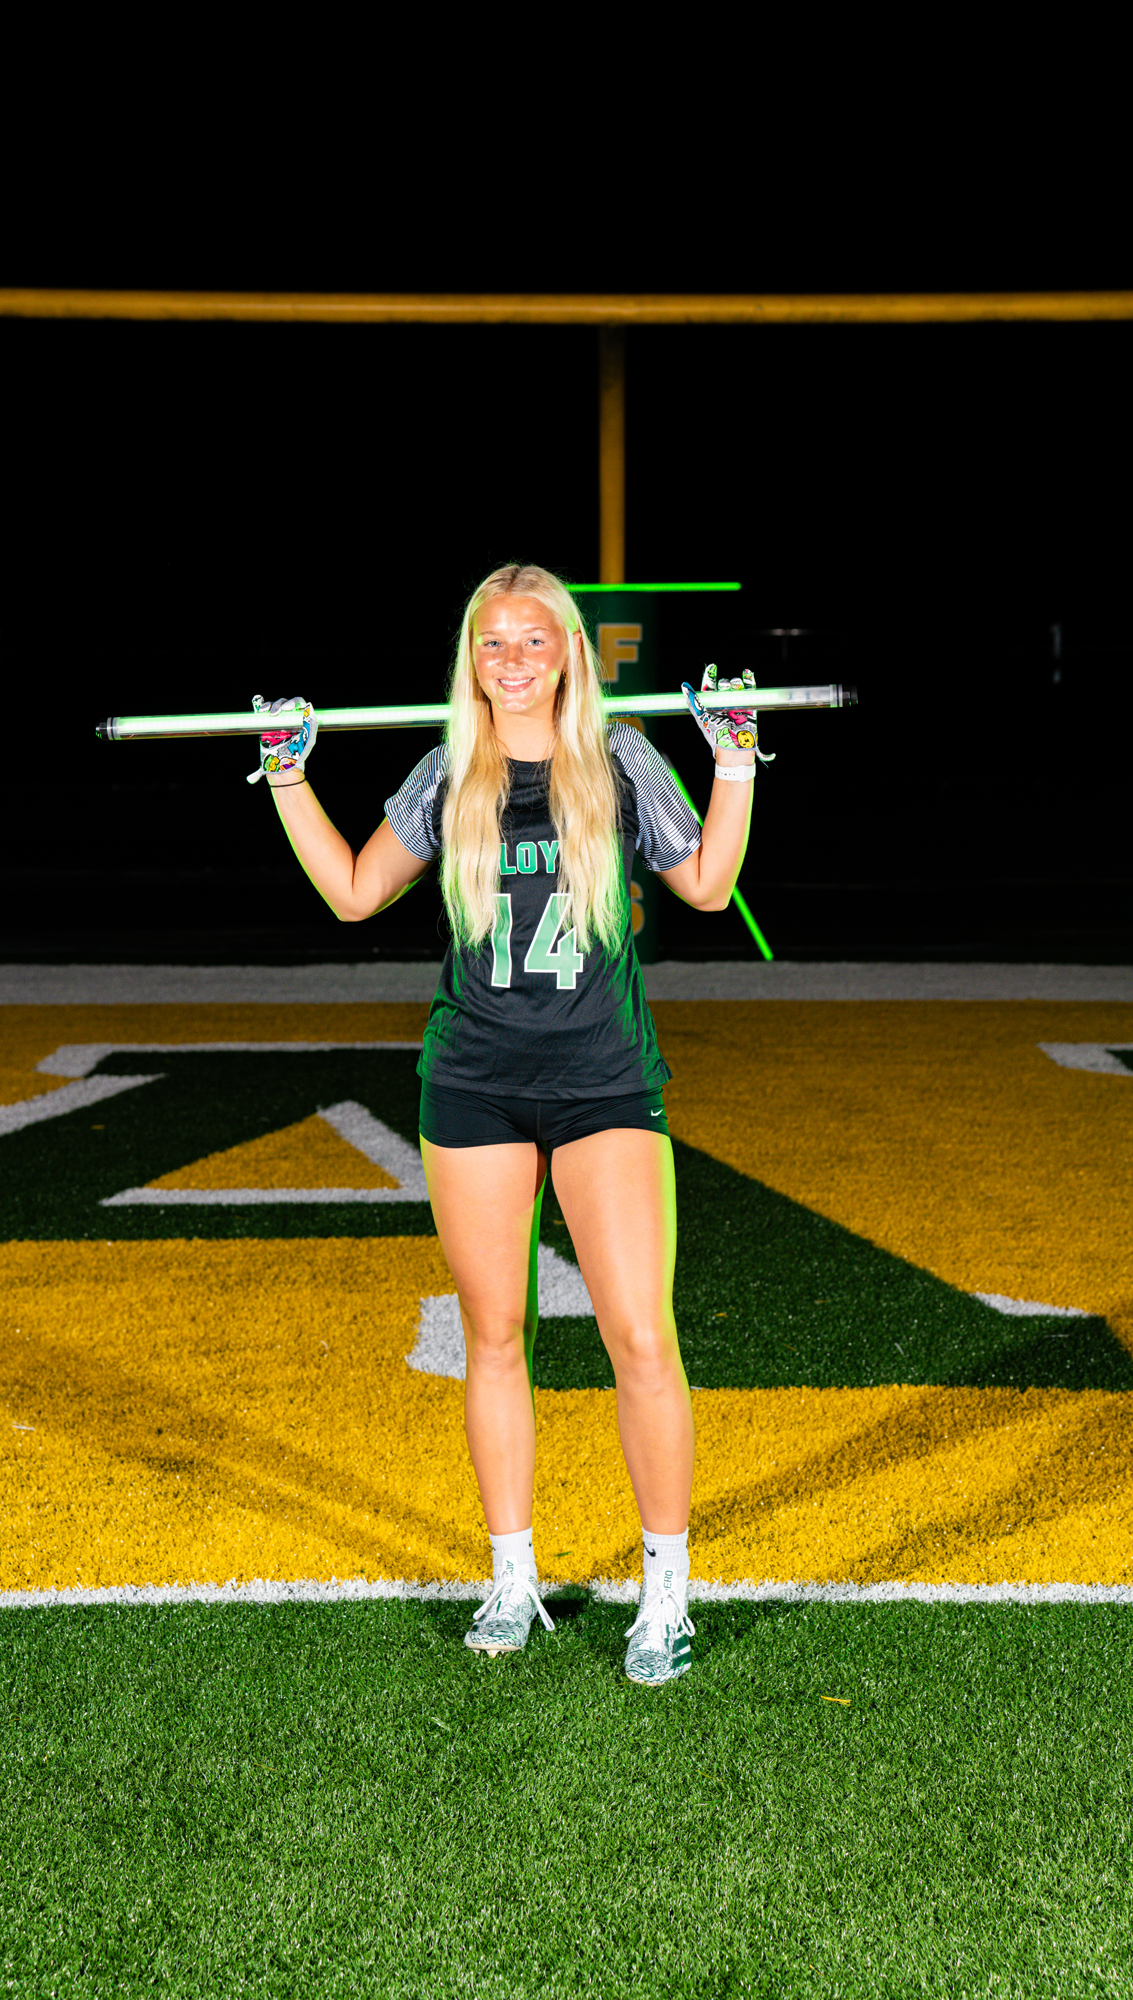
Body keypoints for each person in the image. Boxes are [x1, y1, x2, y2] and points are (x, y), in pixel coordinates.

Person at [252, 563, 765, 1685]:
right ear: (471, 662)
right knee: (493, 1334)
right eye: (494, 642)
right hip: (474, 1083)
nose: (515, 659)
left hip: (601, 1081)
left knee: (641, 1333)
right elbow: (353, 891)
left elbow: (707, 885)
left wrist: (733, 758)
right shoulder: (450, 770)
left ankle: (665, 1589)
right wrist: (287, 774)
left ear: (570, 652)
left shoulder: (619, 758)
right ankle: (512, 1574)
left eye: (535, 639)